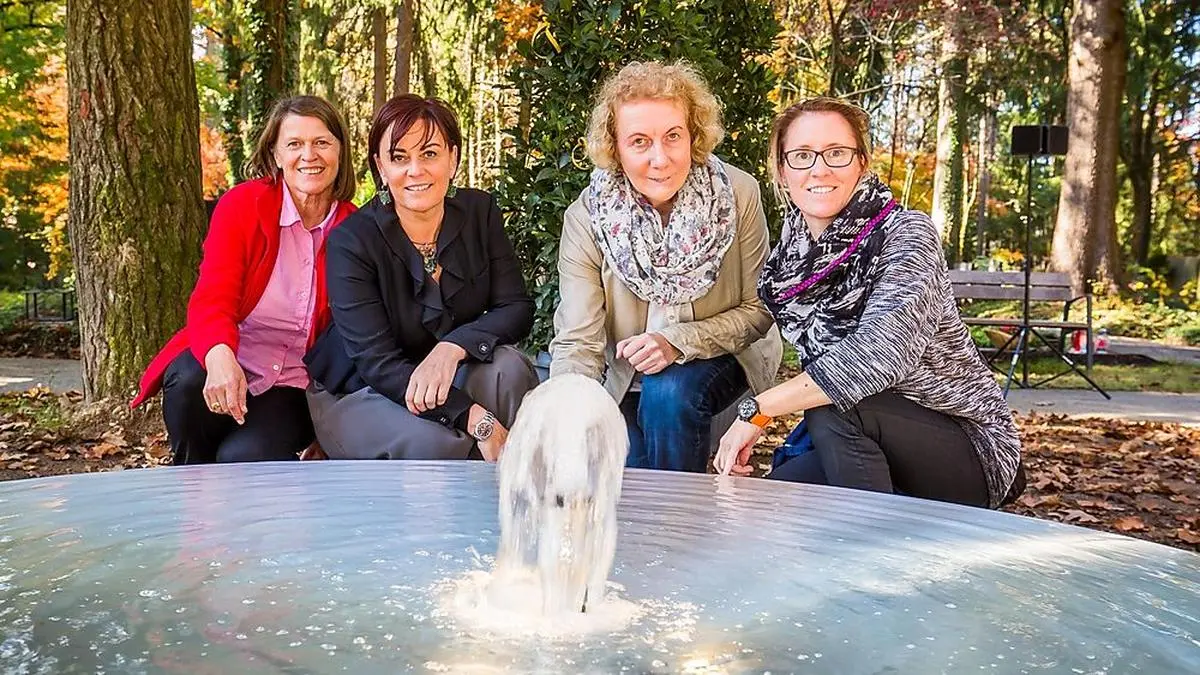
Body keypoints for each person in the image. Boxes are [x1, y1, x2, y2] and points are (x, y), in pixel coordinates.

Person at [714, 97, 1024, 508]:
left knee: (837, 411)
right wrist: (674, 342)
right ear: (782, 171)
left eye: (837, 154)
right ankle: (875, 535)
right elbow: (753, 320)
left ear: (862, 163)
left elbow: (880, 354)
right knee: (773, 504)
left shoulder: (905, 233)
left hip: (964, 444)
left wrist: (758, 410)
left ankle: (878, 563)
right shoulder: (786, 262)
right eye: (802, 156)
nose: (819, 169)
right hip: (860, 437)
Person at [549, 60, 782, 473]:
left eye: (672, 136)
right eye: (639, 141)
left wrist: (675, 341)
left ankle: (678, 529)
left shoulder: (739, 194)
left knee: (668, 394)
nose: (660, 158)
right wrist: (568, 412)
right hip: (625, 377)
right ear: (615, 148)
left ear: (693, 136)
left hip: (725, 356)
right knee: (631, 475)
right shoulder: (587, 217)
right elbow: (578, 342)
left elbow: (759, 311)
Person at [304, 94, 538, 461]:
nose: (415, 170)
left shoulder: (480, 212)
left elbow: (516, 308)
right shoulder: (351, 241)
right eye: (399, 158)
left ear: (453, 158)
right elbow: (378, 364)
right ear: (381, 167)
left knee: (508, 370)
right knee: (436, 444)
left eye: (429, 153)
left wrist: (452, 347)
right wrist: (476, 418)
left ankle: (509, 499)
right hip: (365, 389)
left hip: (451, 371)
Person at [131, 95, 358, 464]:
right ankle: (190, 495)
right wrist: (220, 356)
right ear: (276, 155)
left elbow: (354, 340)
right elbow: (212, 297)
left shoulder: (356, 229)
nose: (309, 155)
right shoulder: (242, 206)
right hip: (232, 358)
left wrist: (331, 430)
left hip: (292, 386)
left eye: (322, 143)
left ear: (340, 152)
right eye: (295, 144)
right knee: (189, 380)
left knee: (245, 462)